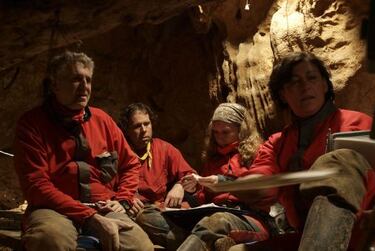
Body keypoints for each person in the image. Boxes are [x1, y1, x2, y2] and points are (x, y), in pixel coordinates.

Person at [228, 51, 375, 251]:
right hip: (305, 238)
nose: (305, 86)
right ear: (283, 94)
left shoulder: (357, 124)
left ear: (325, 85)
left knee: (339, 160)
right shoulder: (277, 143)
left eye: (312, 78)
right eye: (294, 82)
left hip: (363, 234)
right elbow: (263, 174)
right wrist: (252, 185)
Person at [14, 51, 153, 251]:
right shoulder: (32, 124)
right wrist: (89, 217)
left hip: (102, 206)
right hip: (54, 209)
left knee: (140, 246)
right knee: (49, 240)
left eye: (88, 80)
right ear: (55, 85)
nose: (85, 87)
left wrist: (123, 199)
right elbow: (36, 186)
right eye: (76, 79)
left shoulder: (102, 120)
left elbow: (130, 163)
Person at [176, 103, 277, 251]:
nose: (220, 138)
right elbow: (203, 199)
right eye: (216, 133)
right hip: (213, 214)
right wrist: (189, 195)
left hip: (251, 217)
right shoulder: (213, 159)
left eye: (225, 132)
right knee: (156, 218)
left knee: (216, 221)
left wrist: (224, 183)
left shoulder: (259, 153)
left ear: (241, 130)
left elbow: (261, 188)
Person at [118, 103, 197, 250]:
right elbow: (105, 187)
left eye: (147, 124)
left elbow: (192, 177)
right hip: (135, 214)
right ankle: (196, 243)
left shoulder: (164, 149)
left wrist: (180, 185)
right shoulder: (120, 152)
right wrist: (125, 198)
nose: (143, 130)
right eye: (137, 126)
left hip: (161, 212)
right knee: (142, 218)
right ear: (126, 130)